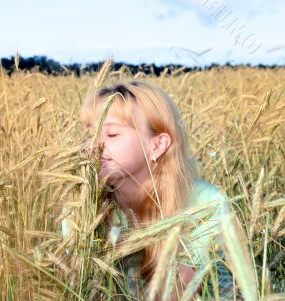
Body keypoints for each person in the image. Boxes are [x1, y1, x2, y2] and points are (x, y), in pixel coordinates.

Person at [62, 80, 242, 300]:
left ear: (157, 145)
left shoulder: (204, 204)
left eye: (111, 135)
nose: (93, 146)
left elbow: (172, 293)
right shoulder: (82, 204)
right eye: (91, 133)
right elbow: (77, 285)